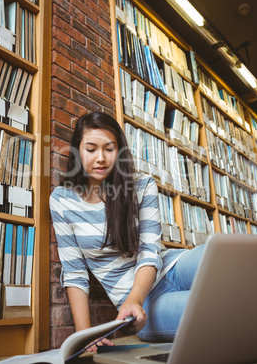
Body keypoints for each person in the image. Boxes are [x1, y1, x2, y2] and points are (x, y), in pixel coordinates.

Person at [49, 111, 205, 351]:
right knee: (220, 308)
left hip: (171, 268)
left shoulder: (142, 185)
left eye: (109, 149)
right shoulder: (62, 200)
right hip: (145, 306)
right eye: (91, 149)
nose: (100, 158)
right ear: (77, 152)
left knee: (225, 259)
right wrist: (85, 334)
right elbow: (75, 272)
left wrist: (136, 296)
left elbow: (149, 251)